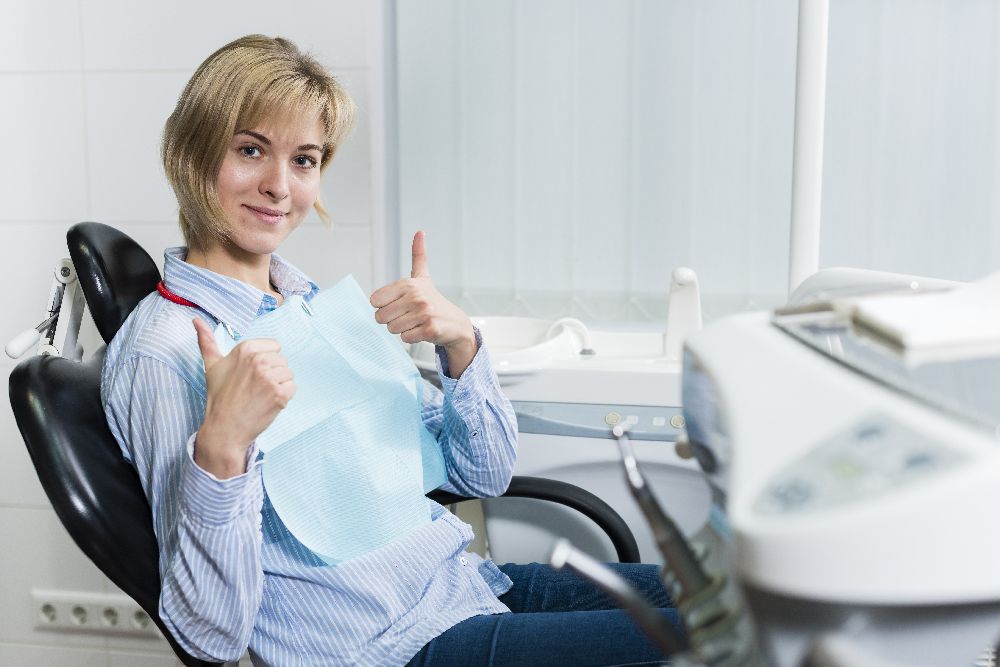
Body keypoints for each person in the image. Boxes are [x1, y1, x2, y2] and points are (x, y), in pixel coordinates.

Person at [101, 34, 678, 666]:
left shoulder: (307, 305)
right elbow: (207, 637)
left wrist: (461, 345)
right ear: (192, 152)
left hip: (469, 588)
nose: (277, 185)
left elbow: (477, 475)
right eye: (250, 150)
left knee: (739, 604)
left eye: (304, 159)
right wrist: (222, 448)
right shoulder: (163, 353)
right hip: (393, 648)